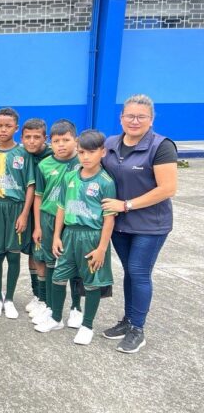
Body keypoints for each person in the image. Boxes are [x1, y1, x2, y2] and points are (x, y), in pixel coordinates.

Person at [100, 94, 178, 354]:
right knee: (129, 272)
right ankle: (128, 320)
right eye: (129, 116)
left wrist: (126, 205)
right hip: (120, 224)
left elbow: (168, 188)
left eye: (141, 116)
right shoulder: (110, 144)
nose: (134, 121)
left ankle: (138, 329)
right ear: (121, 118)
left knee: (139, 271)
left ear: (151, 119)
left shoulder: (161, 146)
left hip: (150, 224)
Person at [35, 130, 116, 347]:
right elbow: (61, 207)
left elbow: (109, 219)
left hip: (92, 237)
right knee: (58, 276)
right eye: (81, 152)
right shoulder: (70, 176)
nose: (85, 157)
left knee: (90, 283)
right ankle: (55, 319)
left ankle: (87, 325)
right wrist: (56, 237)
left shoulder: (106, 181)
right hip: (69, 234)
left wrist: (101, 248)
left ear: (103, 152)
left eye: (91, 152)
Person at [0, 107, 35, 319]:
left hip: (16, 207)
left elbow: (30, 186)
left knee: (13, 254)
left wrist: (24, 214)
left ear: (16, 128)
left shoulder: (23, 153)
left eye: (8, 126)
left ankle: (10, 299)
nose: (3, 130)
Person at [29, 120, 80, 327]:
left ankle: (76, 308)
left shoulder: (83, 162)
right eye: (57, 141)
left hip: (75, 220)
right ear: (50, 142)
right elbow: (38, 197)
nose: (61, 145)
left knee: (75, 265)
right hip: (49, 219)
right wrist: (38, 226)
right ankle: (50, 307)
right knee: (49, 262)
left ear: (75, 141)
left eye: (66, 140)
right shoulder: (44, 164)